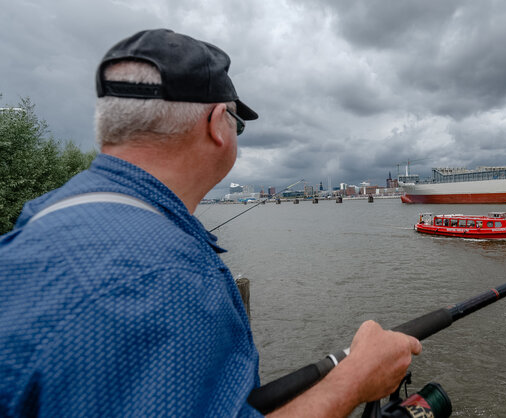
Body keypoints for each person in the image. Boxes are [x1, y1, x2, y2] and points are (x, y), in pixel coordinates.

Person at [0, 29, 420, 417]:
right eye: (237, 122)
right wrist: (353, 382)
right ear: (217, 123)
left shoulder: (40, 219)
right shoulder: (167, 280)